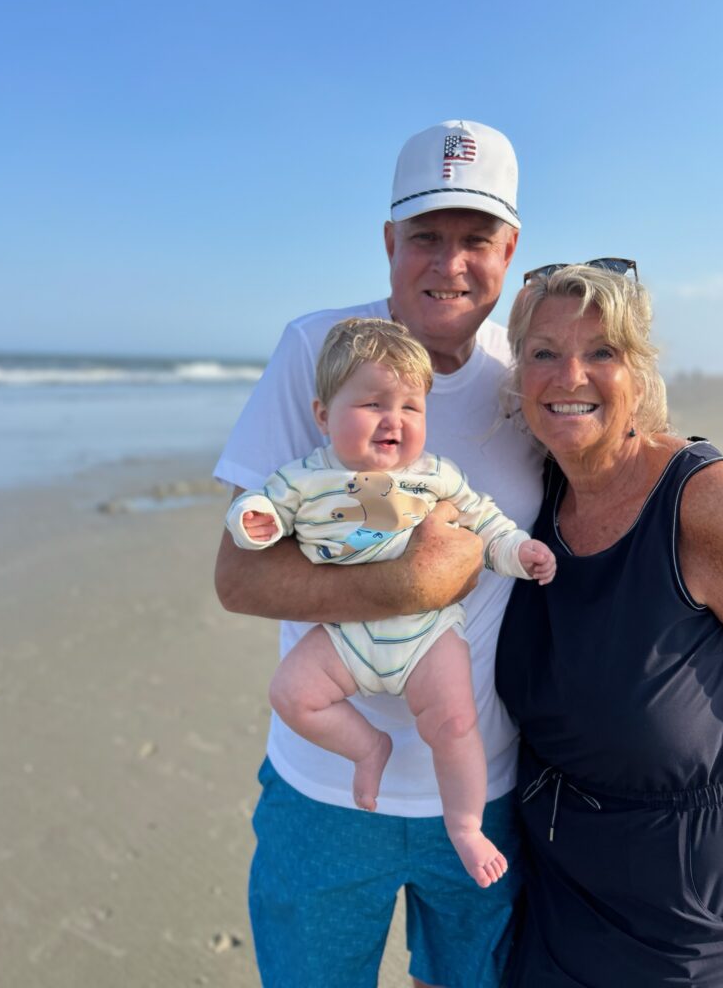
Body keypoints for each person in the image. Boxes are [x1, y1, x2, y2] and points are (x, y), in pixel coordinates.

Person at [214, 119, 543, 988]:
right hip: (324, 792)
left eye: (476, 239)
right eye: (425, 237)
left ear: (510, 250)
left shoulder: (532, 377)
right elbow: (238, 576)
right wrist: (413, 580)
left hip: (484, 788)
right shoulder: (316, 354)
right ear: (388, 240)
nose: (450, 263)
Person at [494, 261, 723, 987]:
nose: (568, 375)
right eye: (543, 352)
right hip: (554, 902)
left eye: (601, 352)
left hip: (688, 932)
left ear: (638, 372)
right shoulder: (531, 497)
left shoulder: (708, 501)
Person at [225, 317, 555, 888]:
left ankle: (466, 826)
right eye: (373, 403)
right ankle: (366, 746)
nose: (393, 420)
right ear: (323, 416)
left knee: (455, 722)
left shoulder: (435, 476)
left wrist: (518, 551)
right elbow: (263, 511)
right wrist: (251, 523)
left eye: (410, 407)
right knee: (291, 694)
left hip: (427, 635)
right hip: (346, 635)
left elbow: (485, 522)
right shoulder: (303, 478)